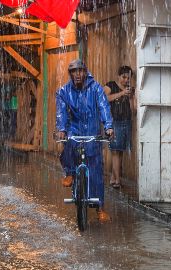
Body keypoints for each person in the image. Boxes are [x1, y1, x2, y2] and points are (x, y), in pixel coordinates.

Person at [56, 59, 114, 222]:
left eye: (80, 71)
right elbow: (61, 112)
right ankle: (70, 173)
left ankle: (100, 209)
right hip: (74, 129)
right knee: (66, 147)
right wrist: (62, 129)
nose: (77, 74)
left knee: (96, 170)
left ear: (85, 72)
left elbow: (103, 107)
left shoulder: (96, 89)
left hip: (92, 131)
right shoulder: (64, 91)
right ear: (70, 74)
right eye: (74, 71)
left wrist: (108, 126)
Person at [103, 66, 136, 189]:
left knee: (120, 151)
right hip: (114, 122)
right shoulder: (110, 85)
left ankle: (113, 177)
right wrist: (122, 93)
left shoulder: (130, 89)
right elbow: (103, 99)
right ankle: (117, 180)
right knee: (115, 152)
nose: (126, 80)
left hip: (126, 121)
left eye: (128, 78)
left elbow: (133, 109)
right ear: (118, 76)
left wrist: (132, 96)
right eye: (124, 77)